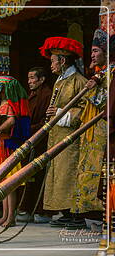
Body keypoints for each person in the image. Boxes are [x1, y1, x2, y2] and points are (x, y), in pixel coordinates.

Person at [39, 36, 87, 227]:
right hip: (56, 135)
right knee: (58, 173)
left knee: (69, 173)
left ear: (63, 60)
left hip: (71, 138)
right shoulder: (59, 81)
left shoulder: (79, 81)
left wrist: (59, 113)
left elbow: (85, 109)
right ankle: (65, 212)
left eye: (53, 60)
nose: (51, 65)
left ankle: (78, 215)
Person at [70, 29, 114, 228]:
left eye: (96, 51)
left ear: (106, 52)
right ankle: (84, 211)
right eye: (92, 52)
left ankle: (98, 211)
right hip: (91, 128)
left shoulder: (110, 72)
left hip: (103, 127)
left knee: (99, 169)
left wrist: (90, 90)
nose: (93, 55)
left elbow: (105, 101)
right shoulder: (101, 72)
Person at [0, 76, 31, 227]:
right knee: (3, 183)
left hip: (6, 145)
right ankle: (5, 216)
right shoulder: (4, 103)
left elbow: (11, 121)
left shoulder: (7, 105)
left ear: (4, 89)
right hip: (2, 144)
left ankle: (10, 216)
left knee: (9, 183)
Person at [16, 67, 53, 223]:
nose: (29, 81)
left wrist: (27, 130)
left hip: (39, 140)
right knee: (28, 175)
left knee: (36, 175)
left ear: (42, 79)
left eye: (33, 78)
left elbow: (45, 121)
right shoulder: (31, 95)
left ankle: (39, 210)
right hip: (29, 139)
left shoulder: (46, 95)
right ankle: (27, 208)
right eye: (29, 78)